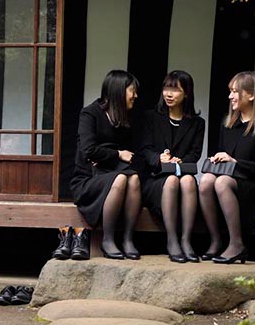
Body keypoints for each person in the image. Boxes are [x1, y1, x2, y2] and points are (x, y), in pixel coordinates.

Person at [199, 71, 255, 264]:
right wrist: (217, 160)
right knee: (206, 180)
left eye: (235, 91)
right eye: (231, 91)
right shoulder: (228, 124)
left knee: (222, 182)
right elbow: (224, 160)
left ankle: (236, 245)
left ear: (251, 95)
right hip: (232, 181)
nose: (230, 96)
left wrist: (235, 162)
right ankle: (216, 240)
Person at [70, 70, 143, 260]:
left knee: (134, 179)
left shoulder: (123, 117)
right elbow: (89, 151)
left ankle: (127, 239)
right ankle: (108, 239)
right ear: (118, 91)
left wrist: (104, 154)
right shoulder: (90, 114)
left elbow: (132, 155)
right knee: (121, 179)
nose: (135, 96)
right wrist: (117, 154)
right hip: (88, 178)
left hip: (111, 172)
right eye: (132, 91)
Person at [140, 71, 205, 263]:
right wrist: (159, 158)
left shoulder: (197, 123)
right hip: (155, 179)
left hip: (181, 175)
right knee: (171, 181)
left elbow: (195, 153)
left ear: (187, 93)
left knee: (188, 180)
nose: (168, 94)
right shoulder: (150, 117)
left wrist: (180, 161)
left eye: (175, 90)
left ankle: (186, 239)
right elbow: (144, 149)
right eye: (166, 88)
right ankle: (172, 239)